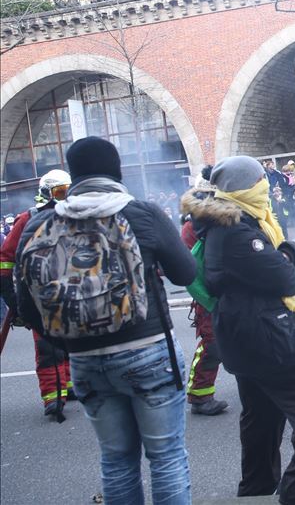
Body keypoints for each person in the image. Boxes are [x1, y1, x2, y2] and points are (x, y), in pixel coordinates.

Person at [14, 136, 196, 504]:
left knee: (116, 460)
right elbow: (186, 273)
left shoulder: (40, 225)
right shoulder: (140, 212)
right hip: (148, 351)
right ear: (117, 171)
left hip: (85, 361)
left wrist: (71, 343)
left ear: (74, 175)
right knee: (166, 458)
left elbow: (28, 308)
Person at [190, 155, 295, 504]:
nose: (267, 188)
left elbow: (268, 271)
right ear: (247, 189)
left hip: (241, 334)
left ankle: (255, 491)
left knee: (261, 417)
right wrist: (290, 252)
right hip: (263, 334)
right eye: (262, 182)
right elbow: (285, 280)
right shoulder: (237, 231)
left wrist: (281, 259)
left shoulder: (228, 221)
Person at [0, 169, 74, 418]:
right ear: (47, 193)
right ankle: (53, 397)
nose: (64, 198)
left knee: (71, 344)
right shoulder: (27, 219)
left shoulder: (74, 216)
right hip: (38, 296)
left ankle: (69, 386)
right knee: (48, 348)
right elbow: (5, 259)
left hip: (71, 292)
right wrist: (13, 299)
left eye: (67, 191)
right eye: (60, 192)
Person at [179, 165, 229, 416]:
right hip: (209, 297)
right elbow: (191, 271)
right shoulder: (192, 229)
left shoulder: (226, 219)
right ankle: (200, 396)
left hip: (231, 292)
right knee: (213, 345)